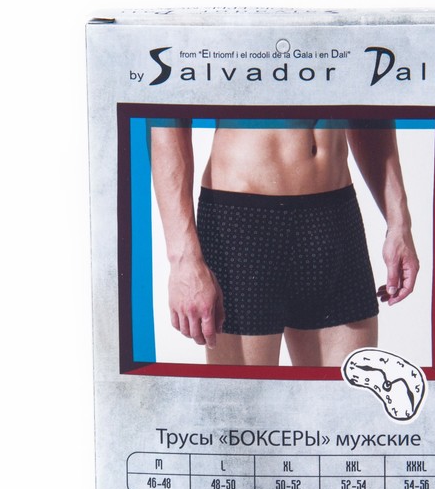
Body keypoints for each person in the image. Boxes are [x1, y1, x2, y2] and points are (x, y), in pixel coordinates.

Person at [150, 119, 418, 367]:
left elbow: (369, 110)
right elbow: (167, 119)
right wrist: (183, 260)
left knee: (345, 399)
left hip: (335, 219)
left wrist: (399, 223)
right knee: (245, 401)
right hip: (242, 227)